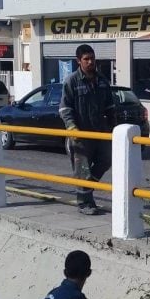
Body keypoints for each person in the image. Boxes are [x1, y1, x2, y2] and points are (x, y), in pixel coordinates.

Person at [59, 44, 115, 215]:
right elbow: (64, 108)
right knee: (82, 169)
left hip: (100, 133)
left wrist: (113, 128)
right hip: (80, 136)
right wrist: (72, 127)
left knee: (106, 160)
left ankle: (88, 188)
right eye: (86, 59)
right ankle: (84, 204)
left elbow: (110, 107)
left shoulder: (103, 81)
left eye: (92, 58)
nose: (90, 62)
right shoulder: (71, 81)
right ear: (78, 61)